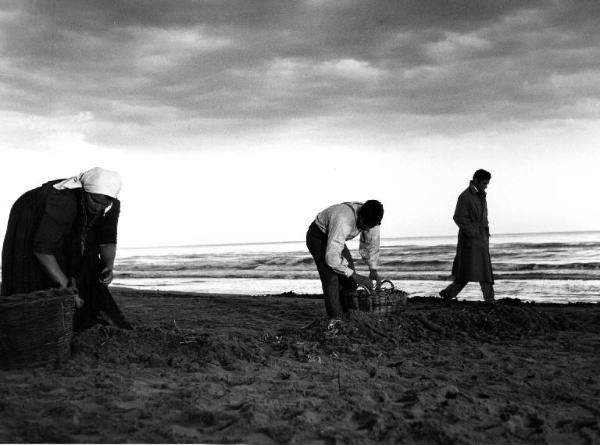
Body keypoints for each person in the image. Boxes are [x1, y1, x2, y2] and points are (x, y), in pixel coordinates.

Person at [1, 167, 132, 330]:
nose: (99, 208)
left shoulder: (111, 205)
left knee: (87, 259)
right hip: (30, 212)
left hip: (69, 217)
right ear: (85, 191)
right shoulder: (64, 201)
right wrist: (67, 288)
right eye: (95, 201)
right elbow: (42, 250)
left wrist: (108, 267)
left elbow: (107, 240)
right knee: (33, 268)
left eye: (104, 203)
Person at [306, 200, 384, 319]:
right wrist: (355, 275)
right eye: (364, 226)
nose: (366, 230)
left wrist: (373, 268)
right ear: (360, 215)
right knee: (331, 279)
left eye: (369, 227)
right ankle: (336, 319)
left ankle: (348, 313)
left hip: (336, 238)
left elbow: (371, 243)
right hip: (318, 236)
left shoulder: (373, 220)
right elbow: (331, 258)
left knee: (349, 279)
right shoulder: (343, 220)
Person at [440, 169, 495, 304]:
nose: (486, 186)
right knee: (468, 272)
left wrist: (483, 233)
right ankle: (489, 300)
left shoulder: (481, 195)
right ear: (476, 180)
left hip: (480, 239)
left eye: (487, 183)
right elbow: (458, 217)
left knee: (482, 271)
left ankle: (449, 294)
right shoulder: (465, 196)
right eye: (484, 183)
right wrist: (474, 233)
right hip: (470, 241)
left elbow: (483, 217)